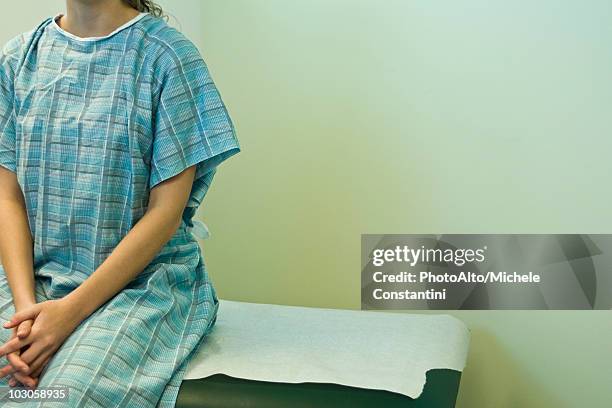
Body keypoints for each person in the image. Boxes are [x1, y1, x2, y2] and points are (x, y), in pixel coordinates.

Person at [0, 0, 240, 406]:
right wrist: (27, 315)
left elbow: (165, 213)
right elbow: (8, 196)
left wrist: (68, 314)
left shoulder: (168, 59)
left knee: (61, 398)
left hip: (140, 286)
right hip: (32, 280)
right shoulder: (19, 59)